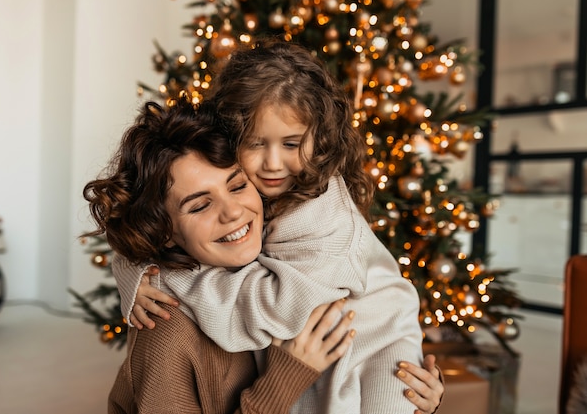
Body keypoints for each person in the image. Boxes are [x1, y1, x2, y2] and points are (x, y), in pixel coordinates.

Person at [114, 39, 443, 414]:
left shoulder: (321, 215)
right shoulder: (167, 332)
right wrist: (135, 268)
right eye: (255, 144)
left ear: (318, 141)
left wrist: (164, 276)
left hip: (382, 352)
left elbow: (279, 308)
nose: (272, 165)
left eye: (291, 143)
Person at [83, 98, 357, 413]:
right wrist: (284, 378)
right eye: (200, 205)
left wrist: (424, 402)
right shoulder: (166, 336)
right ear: (164, 231)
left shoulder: (279, 256)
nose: (233, 212)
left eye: (238, 186)